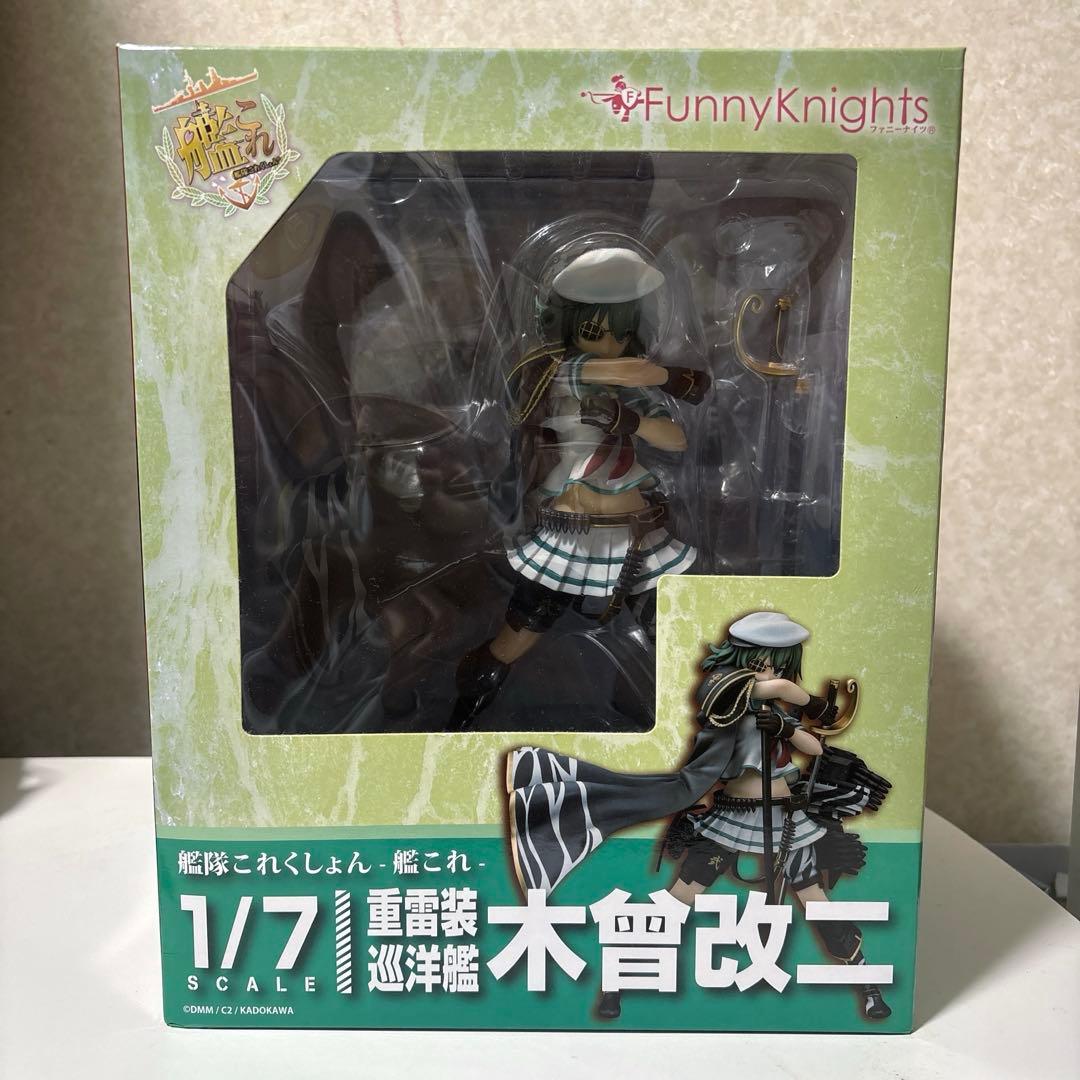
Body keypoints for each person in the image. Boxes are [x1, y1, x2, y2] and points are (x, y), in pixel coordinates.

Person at [505, 610, 893, 1022]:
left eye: (777, 666)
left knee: (816, 902)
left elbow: (814, 748)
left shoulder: (774, 708)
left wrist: (785, 727)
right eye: (760, 662)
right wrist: (811, 702)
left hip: (785, 821)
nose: (768, 672)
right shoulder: (723, 691)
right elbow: (770, 688)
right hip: (730, 818)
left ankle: (868, 984)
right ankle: (618, 979)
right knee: (679, 899)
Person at [452, 246, 709, 727]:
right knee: (516, 637)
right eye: (594, 332)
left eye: (620, 333)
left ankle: (700, 722)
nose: (608, 344)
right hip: (570, 532)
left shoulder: (628, 391)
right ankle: (459, 721)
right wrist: (666, 376)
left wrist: (632, 419)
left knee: (674, 634)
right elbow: (615, 368)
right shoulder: (560, 372)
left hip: (634, 536)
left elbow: (675, 439)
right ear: (569, 328)